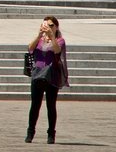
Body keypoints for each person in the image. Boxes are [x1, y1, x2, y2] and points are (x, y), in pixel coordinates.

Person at [26, 16, 69, 144]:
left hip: (52, 76)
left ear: (56, 27)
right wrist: (39, 35)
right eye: (46, 25)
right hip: (37, 75)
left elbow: (56, 50)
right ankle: (30, 132)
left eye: (51, 25)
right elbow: (30, 48)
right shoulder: (40, 40)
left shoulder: (60, 40)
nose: (48, 27)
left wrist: (52, 36)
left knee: (51, 105)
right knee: (35, 105)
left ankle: (51, 134)